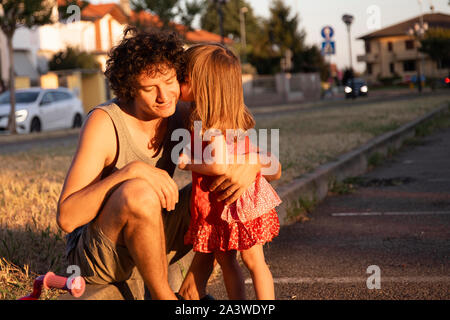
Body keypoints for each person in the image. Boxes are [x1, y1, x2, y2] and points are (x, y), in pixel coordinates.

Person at [56, 27, 278, 300]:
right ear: (129, 89)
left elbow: (273, 166)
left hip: (154, 233)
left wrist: (252, 164)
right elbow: (67, 218)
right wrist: (131, 172)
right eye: (149, 88)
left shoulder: (181, 113)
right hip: (101, 251)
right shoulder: (104, 124)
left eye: (170, 82)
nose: (164, 96)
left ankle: (192, 289)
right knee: (138, 191)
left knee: (211, 193)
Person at [177, 43, 282, 300]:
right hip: (229, 202)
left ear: (201, 85)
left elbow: (220, 165)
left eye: (184, 78)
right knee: (243, 261)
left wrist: (188, 162)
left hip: (234, 203)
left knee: (245, 260)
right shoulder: (229, 118)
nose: (178, 83)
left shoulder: (210, 125)